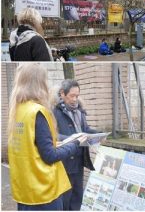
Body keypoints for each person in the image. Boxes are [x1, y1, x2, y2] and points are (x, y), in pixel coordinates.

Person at [8, 64, 84, 210]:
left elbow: (31, 145)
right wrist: (75, 144)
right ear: (39, 83)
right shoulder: (38, 111)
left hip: (25, 190)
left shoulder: (17, 110)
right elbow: (49, 155)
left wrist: (57, 141)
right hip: (43, 192)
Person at [53, 79, 101, 210]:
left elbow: (85, 129)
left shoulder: (80, 111)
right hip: (65, 161)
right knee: (65, 198)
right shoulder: (54, 111)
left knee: (78, 196)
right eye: (72, 96)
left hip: (79, 160)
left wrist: (98, 134)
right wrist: (73, 139)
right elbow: (52, 136)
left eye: (77, 96)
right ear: (62, 94)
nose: (75, 99)